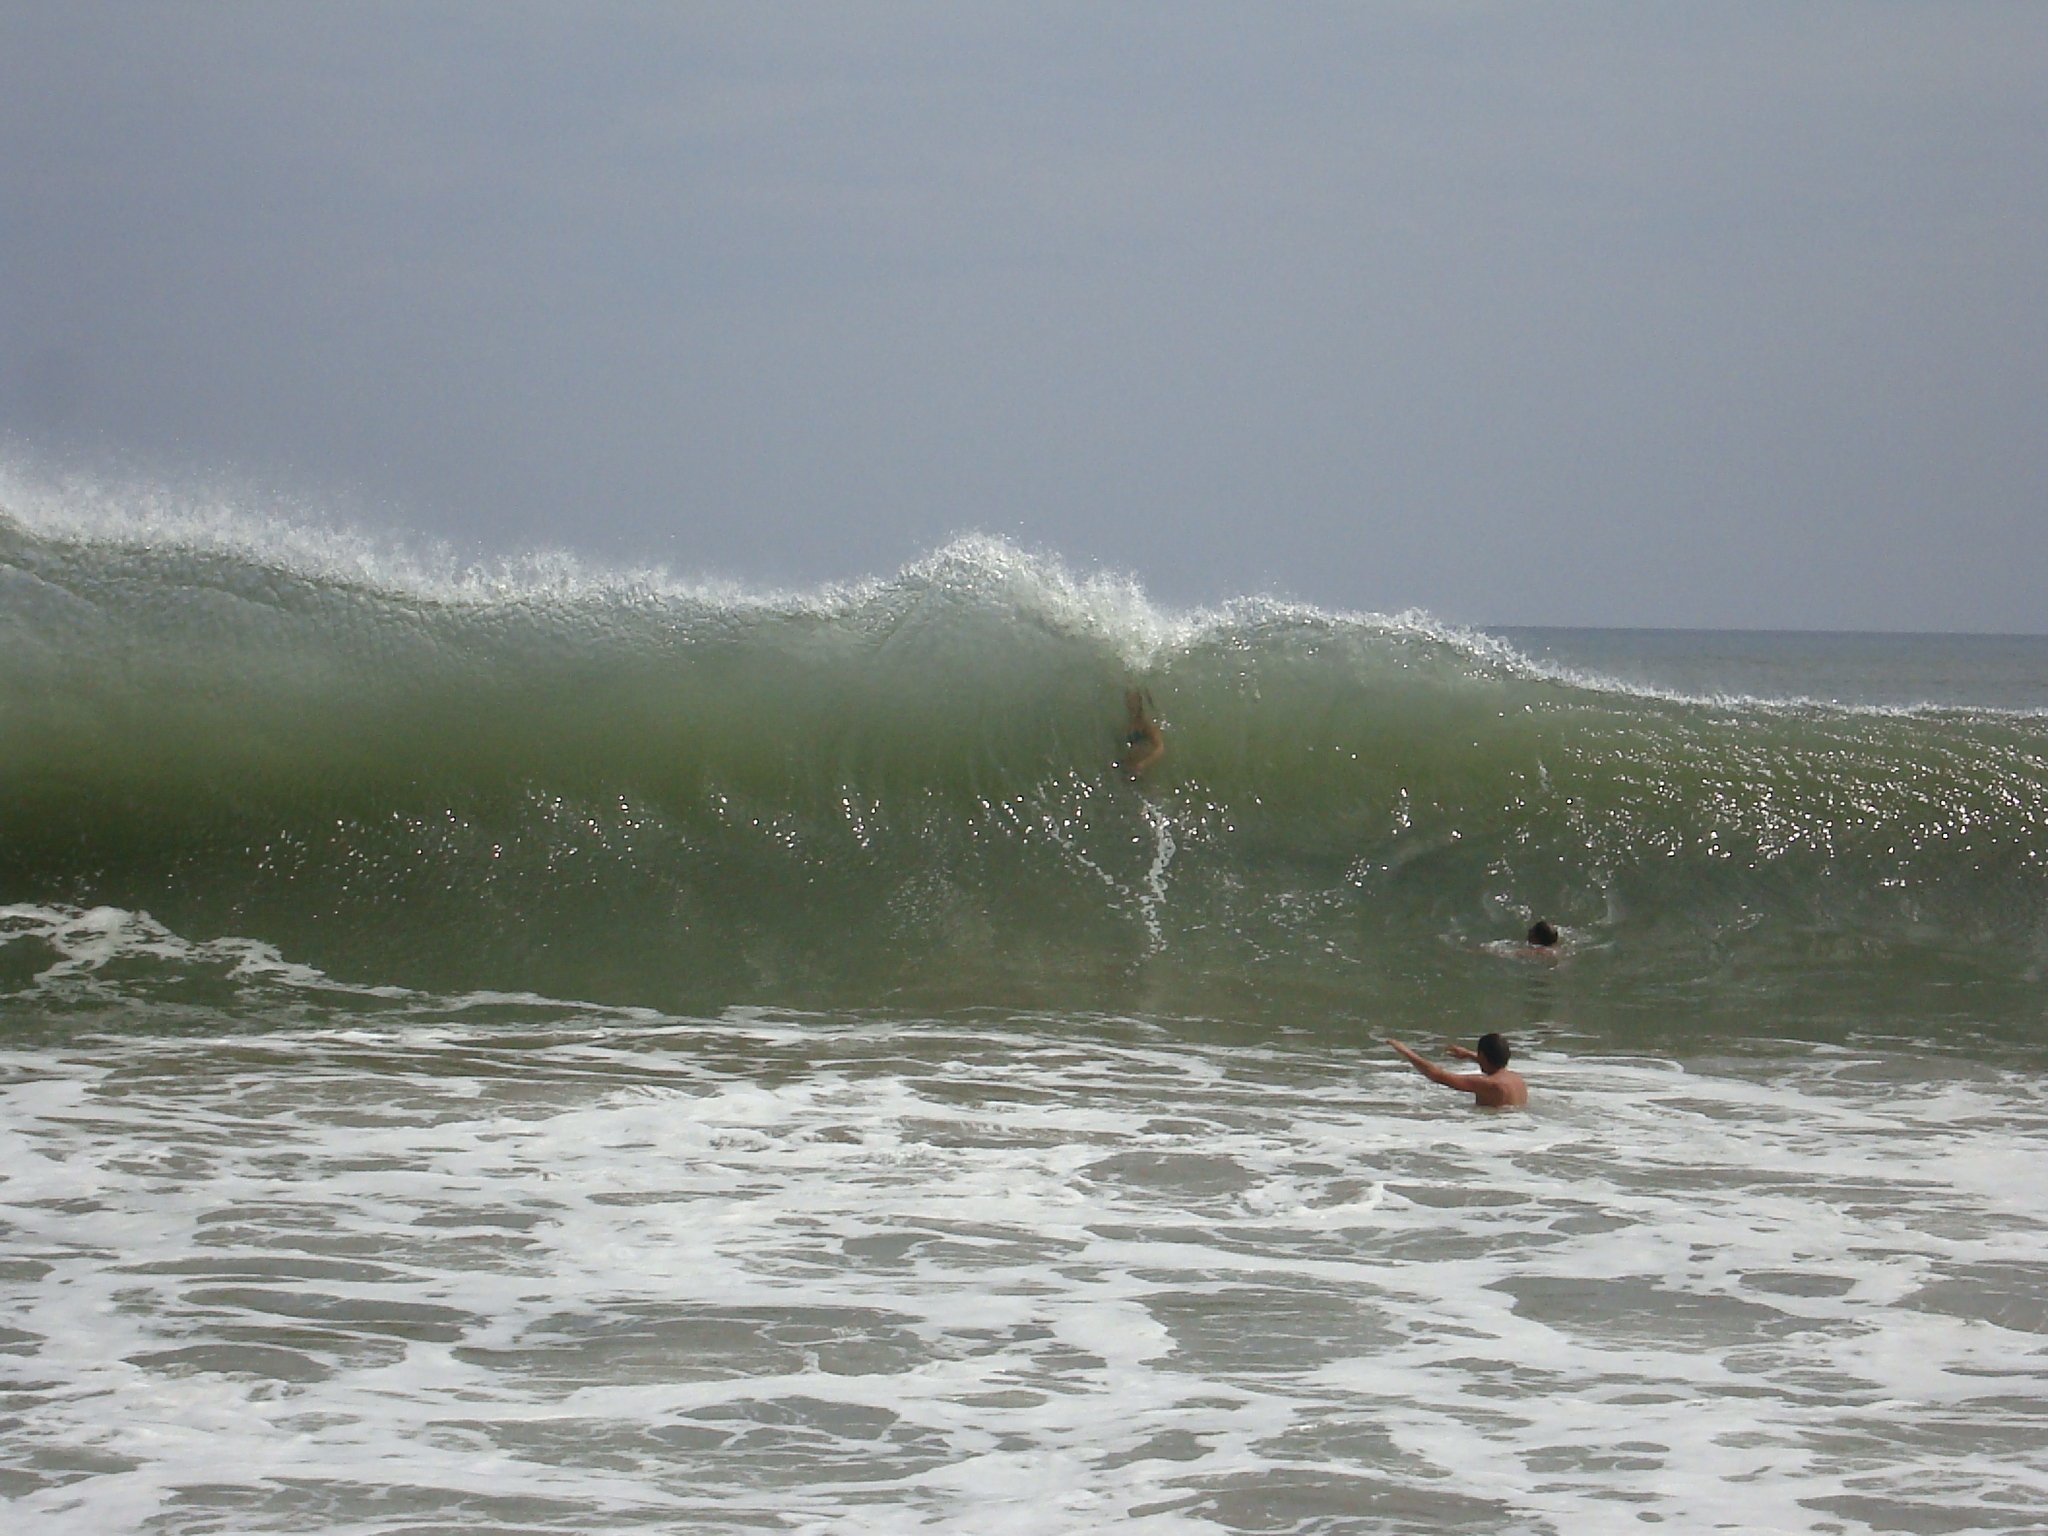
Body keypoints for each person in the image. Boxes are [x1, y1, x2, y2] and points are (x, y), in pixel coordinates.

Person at [1386, 1033, 1528, 1108]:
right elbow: (1493, 1063)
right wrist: (1468, 1054)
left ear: (1483, 1056)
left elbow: (1437, 1075)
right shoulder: (1516, 1078)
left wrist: (1404, 1051)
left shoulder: (1490, 1084)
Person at [1118, 688, 1164, 778]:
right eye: (1127, 700)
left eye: (1131, 700)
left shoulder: (1146, 723)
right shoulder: (1132, 721)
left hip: (1141, 770)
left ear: (1139, 703)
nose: (1128, 703)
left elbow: (1160, 748)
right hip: (1129, 767)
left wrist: (1142, 764)